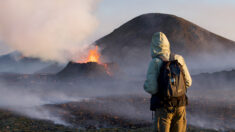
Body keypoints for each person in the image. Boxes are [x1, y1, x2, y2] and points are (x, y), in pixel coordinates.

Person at [144, 32, 192, 132]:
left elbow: (151, 88)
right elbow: (188, 82)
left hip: (164, 107)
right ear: (167, 44)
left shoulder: (155, 62)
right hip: (180, 105)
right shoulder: (179, 59)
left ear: (153, 46)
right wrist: (176, 89)